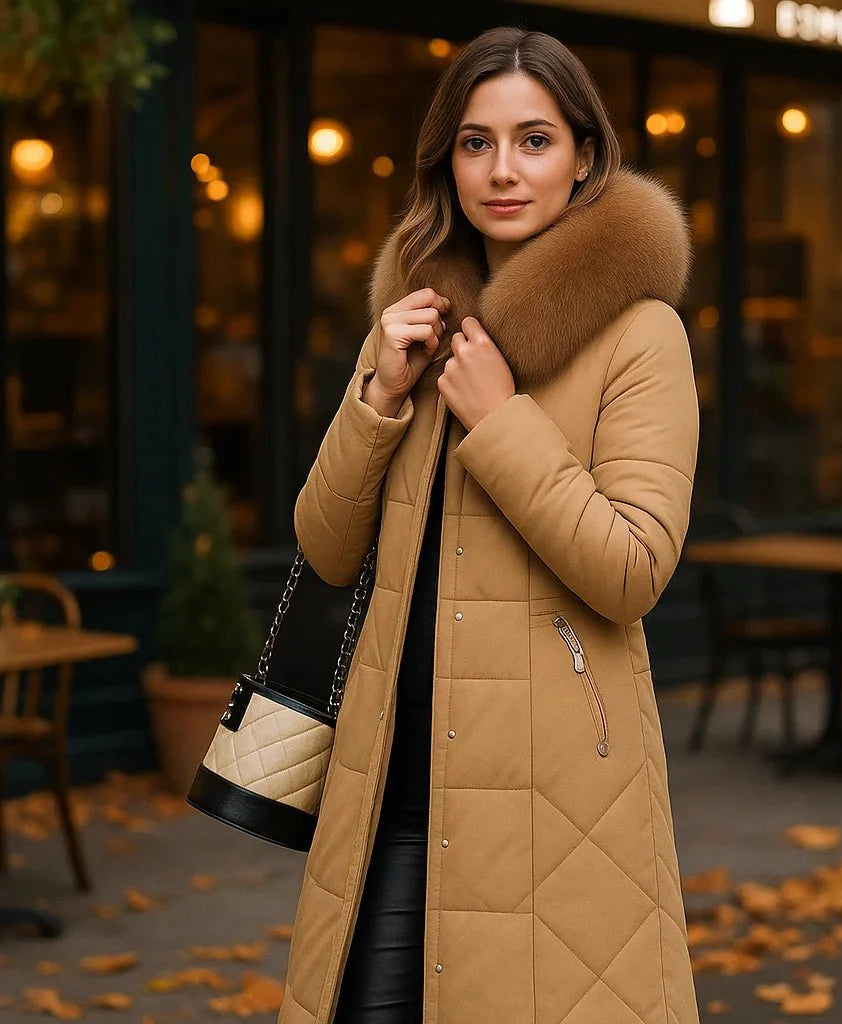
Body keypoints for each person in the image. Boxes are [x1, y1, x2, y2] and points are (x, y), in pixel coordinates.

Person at [281, 25, 701, 1024]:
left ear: (585, 157)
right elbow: (326, 547)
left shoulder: (639, 333)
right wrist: (379, 391)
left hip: (552, 798)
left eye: (533, 140)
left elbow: (632, 570)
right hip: (387, 783)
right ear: (446, 161)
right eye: (475, 143)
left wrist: (501, 417)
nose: (502, 171)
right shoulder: (419, 319)